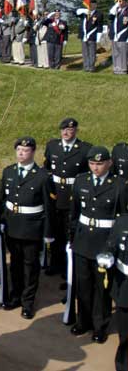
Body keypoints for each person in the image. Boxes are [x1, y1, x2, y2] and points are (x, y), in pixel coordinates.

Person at [69, 146, 127, 343]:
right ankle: (82, 321)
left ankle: (100, 326)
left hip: (105, 245)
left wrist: (114, 248)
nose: (95, 168)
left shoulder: (119, 185)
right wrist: (72, 239)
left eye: (100, 164)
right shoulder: (81, 180)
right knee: (83, 285)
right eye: (92, 164)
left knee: (102, 289)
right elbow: (74, 213)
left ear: (109, 163)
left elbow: (121, 221)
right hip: (83, 241)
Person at [0, 137, 54, 319]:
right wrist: (1, 221)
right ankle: (15, 296)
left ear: (33, 152)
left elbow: (49, 207)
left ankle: (27, 302)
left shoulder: (43, 176)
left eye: (25, 150)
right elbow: (2, 201)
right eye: (19, 150)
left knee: (30, 266)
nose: (21, 153)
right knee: (15, 263)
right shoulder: (9, 172)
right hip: (12, 225)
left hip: (31, 228)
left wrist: (48, 233)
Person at [44, 118, 92, 280]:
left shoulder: (85, 149)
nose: (66, 132)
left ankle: (68, 267)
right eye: (63, 129)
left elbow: (87, 176)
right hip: (55, 195)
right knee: (54, 230)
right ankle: (55, 263)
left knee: (68, 233)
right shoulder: (52, 146)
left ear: (76, 131)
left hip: (72, 196)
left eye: (70, 130)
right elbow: (47, 166)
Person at [97, 214, 128, 370]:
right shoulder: (123, 221)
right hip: (125, 288)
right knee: (125, 336)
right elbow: (112, 243)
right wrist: (107, 254)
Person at [77, 3, 103, 72]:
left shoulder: (98, 14)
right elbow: (75, 12)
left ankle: (91, 67)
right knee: (85, 52)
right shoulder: (84, 14)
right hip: (84, 36)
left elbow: (100, 25)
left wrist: (99, 36)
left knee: (92, 52)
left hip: (92, 35)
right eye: (90, 5)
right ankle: (86, 67)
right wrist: (84, 10)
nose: (91, 6)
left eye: (93, 5)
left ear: (95, 6)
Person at [109, 0, 128, 75]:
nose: (120, 3)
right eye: (119, 2)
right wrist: (115, 7)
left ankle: (124, 69)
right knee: (116, 53)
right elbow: (110, 16)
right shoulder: (117, 11)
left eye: (121, 2)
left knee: (123, 53)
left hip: (124, 35)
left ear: (126, 2)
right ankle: (117, 68)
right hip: (115, 35)